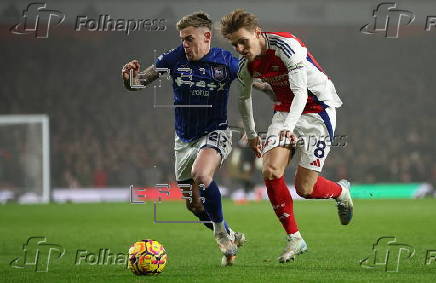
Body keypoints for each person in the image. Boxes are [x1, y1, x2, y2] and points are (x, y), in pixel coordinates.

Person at [122, 11, 270, 266]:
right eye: (182, 39)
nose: (185, 45)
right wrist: (129, 80)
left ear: (207, 37)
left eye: (189, 39)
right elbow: (140, 82)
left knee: (202, 175)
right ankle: (229, 233)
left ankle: (222, 236)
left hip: (216, 132)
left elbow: (260, 84)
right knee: (194, 205)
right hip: (184, 140)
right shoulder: (174, 58)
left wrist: (286, 91)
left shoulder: (227, 62)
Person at [220, 9, 354, 263]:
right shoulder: (245, 65)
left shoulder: (287, 45)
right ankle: (295, 237)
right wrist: (250, 134)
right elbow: (243, 99)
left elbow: (301, 94)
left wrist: (289, 127)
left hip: (317, 111)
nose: (239, 48)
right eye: (234, 44)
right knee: (270, 170)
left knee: (305, 188)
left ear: (257, 33)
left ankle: (340, 192)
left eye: (243, 41)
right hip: (284, 111)